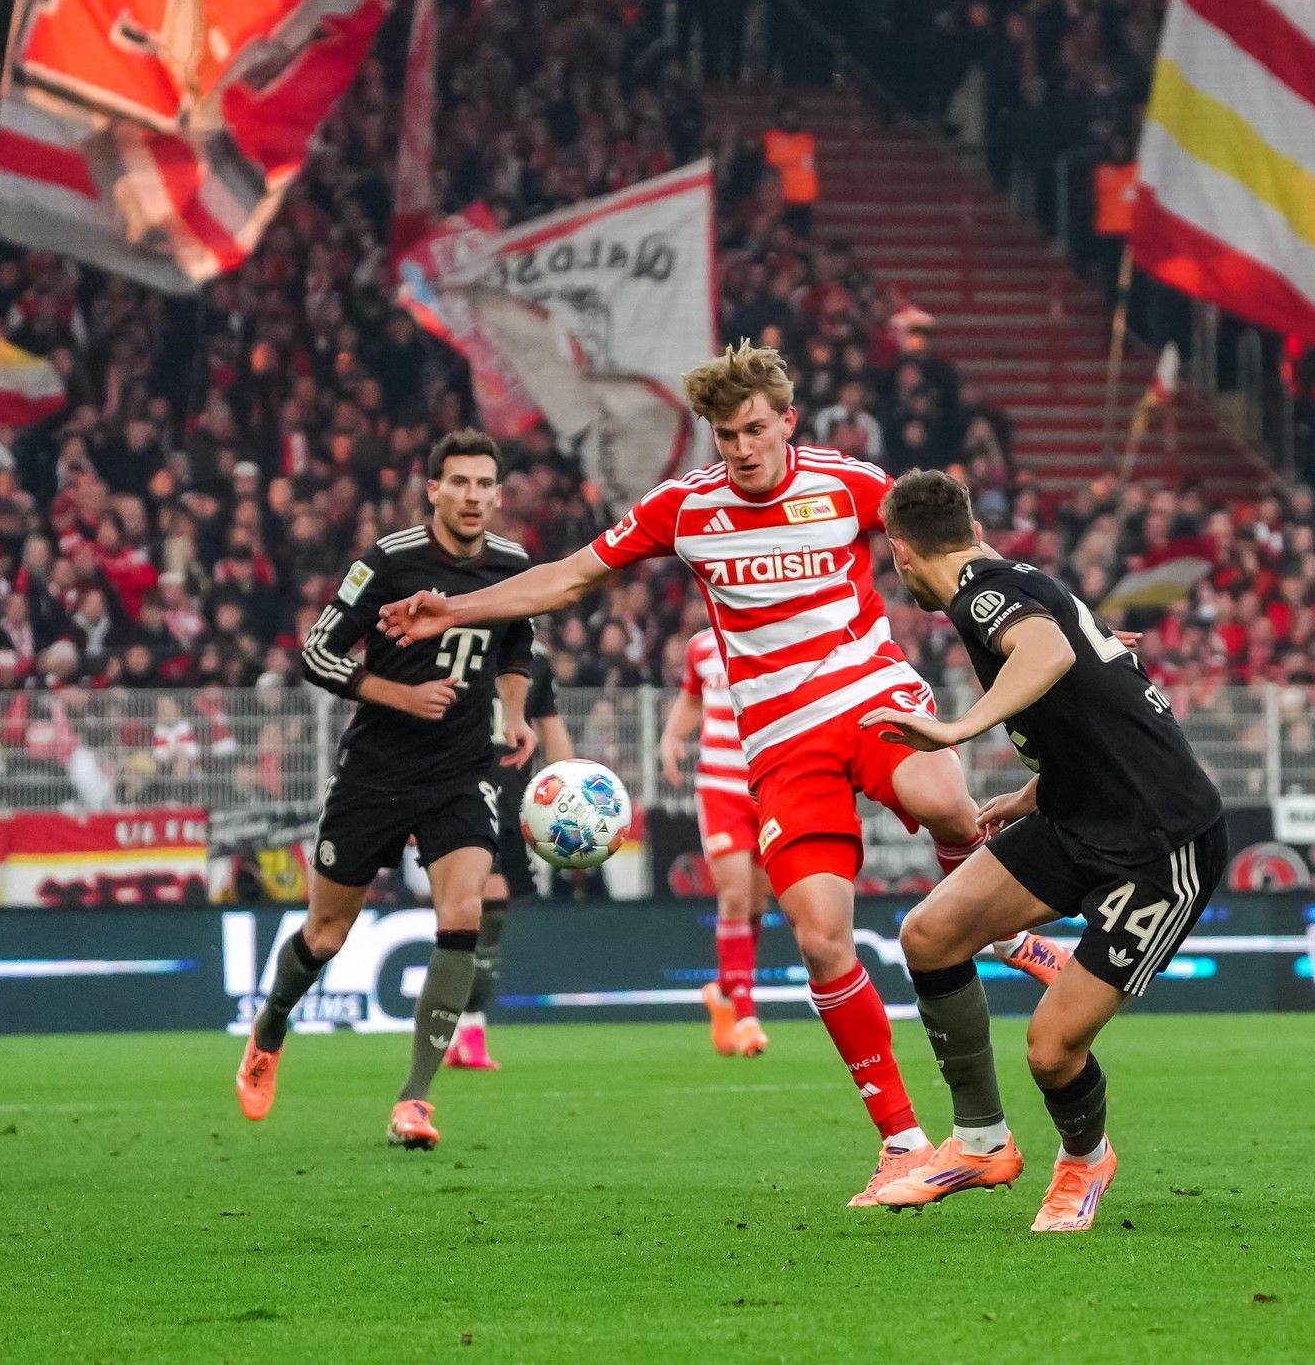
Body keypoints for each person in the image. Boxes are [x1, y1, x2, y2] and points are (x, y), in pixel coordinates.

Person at [379, 342, 1062, 1204]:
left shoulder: (851, 484)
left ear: (787, 423)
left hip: (870, 696)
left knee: (948, 802)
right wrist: (457, 604)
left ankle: (998, 930)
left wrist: (1065, 621)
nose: (739, 448)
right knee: (820, 934)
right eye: (723, 433)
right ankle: (901, 1141)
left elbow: (962, 553)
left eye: (752, 429)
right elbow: (571, 578)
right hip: (781, 740)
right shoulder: (683, 508)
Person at [861, 470, 1227, 1233]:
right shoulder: (1018, 577)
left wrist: (956, 729)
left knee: (1051, 1050)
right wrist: (1027, 794)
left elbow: (1049, 654)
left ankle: (1085, 1162)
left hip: (1159, 843)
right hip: (1075, 814)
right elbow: (1092, 701)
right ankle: (981, 1141)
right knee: (928, 934)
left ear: (900, 554)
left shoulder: (982, 595)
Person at [235, 430, 538, 1151]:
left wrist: (516, 712)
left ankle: (414, 1100)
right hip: (376, 770)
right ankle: (270, 1026)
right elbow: (316, 651)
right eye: (458, 482)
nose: (471, 495)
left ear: (498, 493)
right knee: (326, 934)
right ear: (432, 489)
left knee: (462, 911)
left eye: (483, 483)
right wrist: (399, 696)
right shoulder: (390, 561)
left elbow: (518, 643)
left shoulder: (512, 565)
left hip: (462, 770)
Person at [444, 642, 575, 1071]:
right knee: (484, 904)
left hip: (515, 806)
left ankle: (464, 1029)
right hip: (463, 796)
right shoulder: (460, 649)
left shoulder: (534, 661)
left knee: (484, 920)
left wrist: (572, 789)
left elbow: (552, 730)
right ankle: (467, 1031)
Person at [661, 626, 773, 1058]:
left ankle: (725, 991)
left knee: (758, 904)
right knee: (734, 898)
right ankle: (746, 1014)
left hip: (767, 786)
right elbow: (691, 697)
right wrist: (672, 736)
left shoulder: (778, 634)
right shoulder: (701, 646)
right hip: (720, 787)